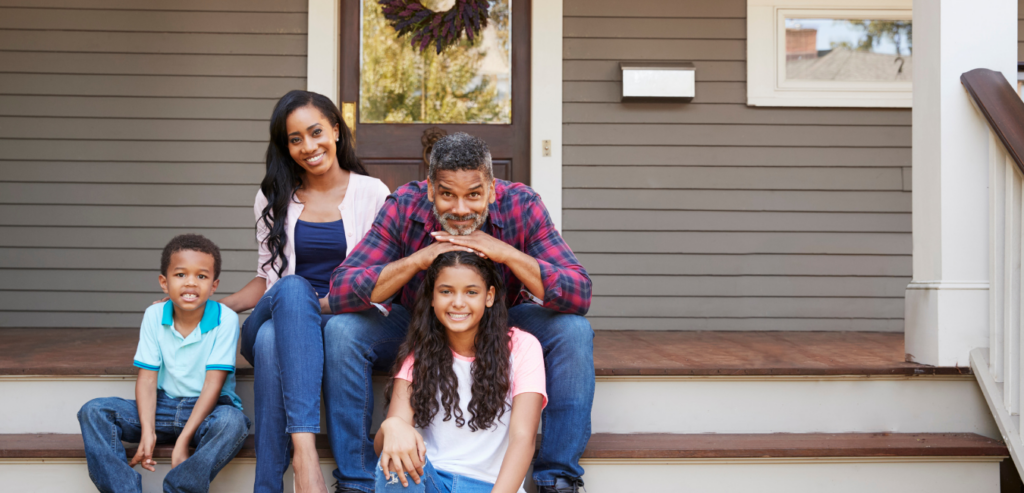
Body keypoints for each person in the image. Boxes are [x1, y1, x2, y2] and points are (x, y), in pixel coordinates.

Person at [326, 132, 593, 493]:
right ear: (430, 189)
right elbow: (342, 290)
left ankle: (557, 479)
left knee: (573, 331)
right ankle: (356, 481)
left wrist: (505, 253)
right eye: (447, 194)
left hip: (503, 320)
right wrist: (417, 260)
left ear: (492, 189)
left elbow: (578, 291)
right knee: (341, 330)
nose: (461, 209)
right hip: (421, 325)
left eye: (474, 194)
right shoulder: (404, 205)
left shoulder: (522, 205)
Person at [218, 90, 391, 493]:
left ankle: (272, 482)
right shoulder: (272, 197)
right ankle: (306, 456)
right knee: (292, 292)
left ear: (335, 130)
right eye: (295, 139)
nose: (308, 147)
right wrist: (214, 306)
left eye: (315, 133)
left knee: (270, 339)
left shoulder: (372, 192)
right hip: (287, 305)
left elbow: (383, 279)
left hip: (343, 316)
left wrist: (323, 306)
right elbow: (267, 279)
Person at [78, 234, 249, 493]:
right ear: (164, 282)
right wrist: (148, 431)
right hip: (162, 407)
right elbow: (147, 378)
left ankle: (180, 488)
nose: (190, 283)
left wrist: (183, 441)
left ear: (214, 285)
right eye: (180, 275)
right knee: (94, 411)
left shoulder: (225, 319)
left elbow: (213, 385)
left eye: (201, 276)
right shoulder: (154, 315)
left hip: (206, 411)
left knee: (232, 423)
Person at [374, 251, 545, 493]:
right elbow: (385, 444)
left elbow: (523, 439)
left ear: (489, 296)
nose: (457, 302)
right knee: (393, 459)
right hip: (431, 480)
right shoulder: (419, 353)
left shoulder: (523, 347)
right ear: (432, 297)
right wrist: (391, 426)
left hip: (492, 487)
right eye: (446, 291)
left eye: (471, 292)